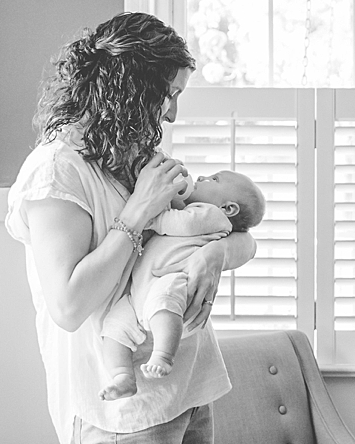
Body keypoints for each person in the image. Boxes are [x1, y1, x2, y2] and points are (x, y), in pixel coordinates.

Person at [4, 12, 256, 444]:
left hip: (190, 391)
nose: (171, 112)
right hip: (126, 412)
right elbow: (69, 304)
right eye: (167, 93)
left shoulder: (139, 155)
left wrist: (215, 256)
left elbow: (234, 231)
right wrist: (137, 213)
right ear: (128, 89)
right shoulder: (57, 172)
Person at [97, 169, 266, 401]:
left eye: (214, 179)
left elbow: (183, 225)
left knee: (164, 301)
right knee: (114, 325)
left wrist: (149, 217)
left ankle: (163, 355)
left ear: (228, 208)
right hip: (139, 289)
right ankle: (122, 375)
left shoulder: (211, 215)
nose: (203, 177)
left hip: (174, 277)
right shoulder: (191, 207)